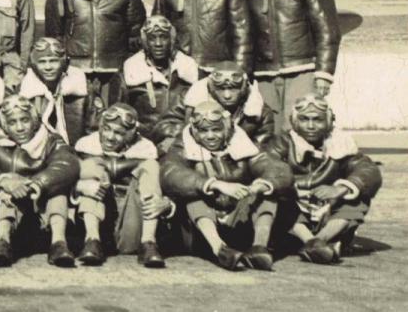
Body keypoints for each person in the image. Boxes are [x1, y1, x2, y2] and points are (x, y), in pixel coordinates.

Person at [159, 100, 291, 271]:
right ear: (194, 130)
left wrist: (260, 185)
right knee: (193, 196)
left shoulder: (243, 144)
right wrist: (215, 184)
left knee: (267, 192)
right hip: (201, 233)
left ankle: (259, 248)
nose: (210, 136)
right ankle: (219, 249)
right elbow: (170, 172)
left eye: (216, 129)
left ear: (227, 128)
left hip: (238, 224)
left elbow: (276, 168)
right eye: (204, 131)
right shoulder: (182, 146)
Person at [265, 95, 381, 265]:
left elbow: (368, 170)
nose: (311, 126)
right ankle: (312, 243)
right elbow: (270, 167)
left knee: (358, 196)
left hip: (327, 213)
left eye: (317, 119)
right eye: (304, 119)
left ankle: (319, 240)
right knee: (275, 199)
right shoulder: (280, 143)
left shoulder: (341, 144)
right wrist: (290, 188)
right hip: (295, 218)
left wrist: (341, 189)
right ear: (294, 121)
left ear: (328, 121)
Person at [246, 0, 340, 136]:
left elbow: (327, 32)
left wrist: (324, 74)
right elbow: (248, 36)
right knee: (270, 131)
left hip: (301, 70)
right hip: (265, 74)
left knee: (300, 128)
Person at [44, 0, 146, 106]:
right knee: (76, 119)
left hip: (114, 68)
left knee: (113, 116)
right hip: (75, 68)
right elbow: (53, 33)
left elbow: (136, 31)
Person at [0, 95, 81, 268]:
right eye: (13, 122)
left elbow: (66, 163)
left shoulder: (50, 140)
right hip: (16, 215)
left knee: (58, 192)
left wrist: (36, 184)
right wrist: (4, 181)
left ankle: (59, 243)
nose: (20, 128)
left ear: (34, 120)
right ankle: (2, 241)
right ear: (5, 125)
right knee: (7, 186)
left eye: (24, 120)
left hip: (43, 214)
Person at [71, 104, 171, 268]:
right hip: (94, 219)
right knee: (92, 167)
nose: (110, 137)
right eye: (107, 129)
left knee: (151, 166)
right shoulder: (84, 147)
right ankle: (92, 240)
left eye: (118, 133)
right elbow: (62, 182)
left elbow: (170, 184)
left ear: (131, 135)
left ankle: (149, 242)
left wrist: (167, 203)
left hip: (130, 224)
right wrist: (80, 186)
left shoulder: (147, 150)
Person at [119, 16, 198, 148]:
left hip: (180, 141)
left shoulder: (188, 72)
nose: (158, 43)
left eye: (164, 37)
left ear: (172, 40)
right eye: (152, 38)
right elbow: (119, 116)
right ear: (145, 41)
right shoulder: (129, 72)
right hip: (142, 143)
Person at [18, 37, 101, 144]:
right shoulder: (25, 92)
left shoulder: (83, 88)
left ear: (63, 63)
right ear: (34, 65)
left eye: (53, 61)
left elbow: (94, 130)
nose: (48, 67)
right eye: (42, 62)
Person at [180, 65, 277, 145]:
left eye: (233, 89)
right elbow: (170, 125)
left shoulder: (261, 111)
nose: (227, 95)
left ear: (244, 88)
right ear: (211, 87)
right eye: (221, 89)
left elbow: (262, 147)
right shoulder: (190, 101)